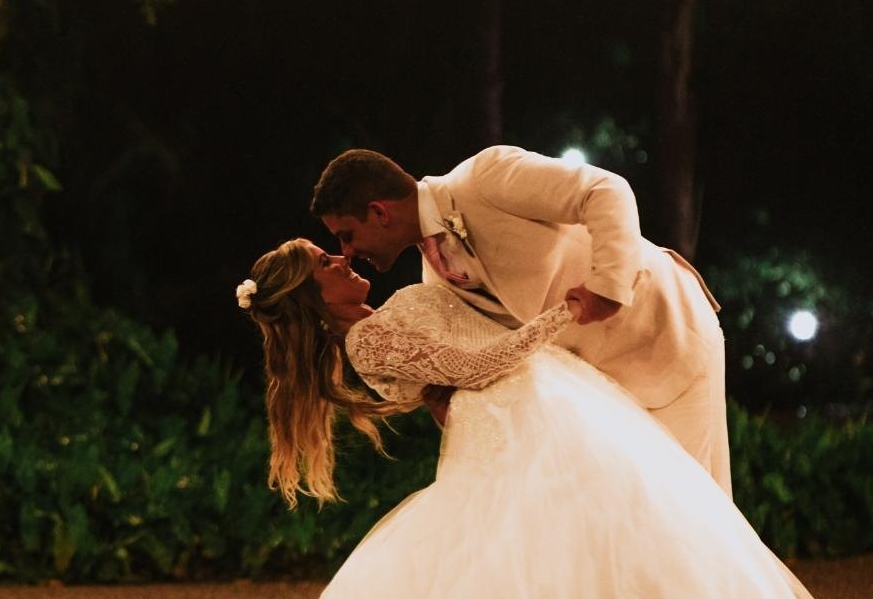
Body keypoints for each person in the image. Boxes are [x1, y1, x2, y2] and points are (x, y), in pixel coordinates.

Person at [99, 239, 873, 599]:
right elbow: (481, 363)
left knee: (606, 551)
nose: (343, 260)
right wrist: (566, 314)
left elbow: (452, 373)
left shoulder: (390, 316)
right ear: (315, 295)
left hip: (542, 412)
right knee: (591, 550)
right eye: (326, 262)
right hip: (522, 414)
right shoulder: (368, 344)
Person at [312, 146, 732, 492]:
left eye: (347, 234)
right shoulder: (433, 276)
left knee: (691, 510)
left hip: (667, 336)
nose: (347, 252)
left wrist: (608, 285)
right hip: (601, 391)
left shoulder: (484, 177)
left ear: (380, 212)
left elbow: (606, 190)